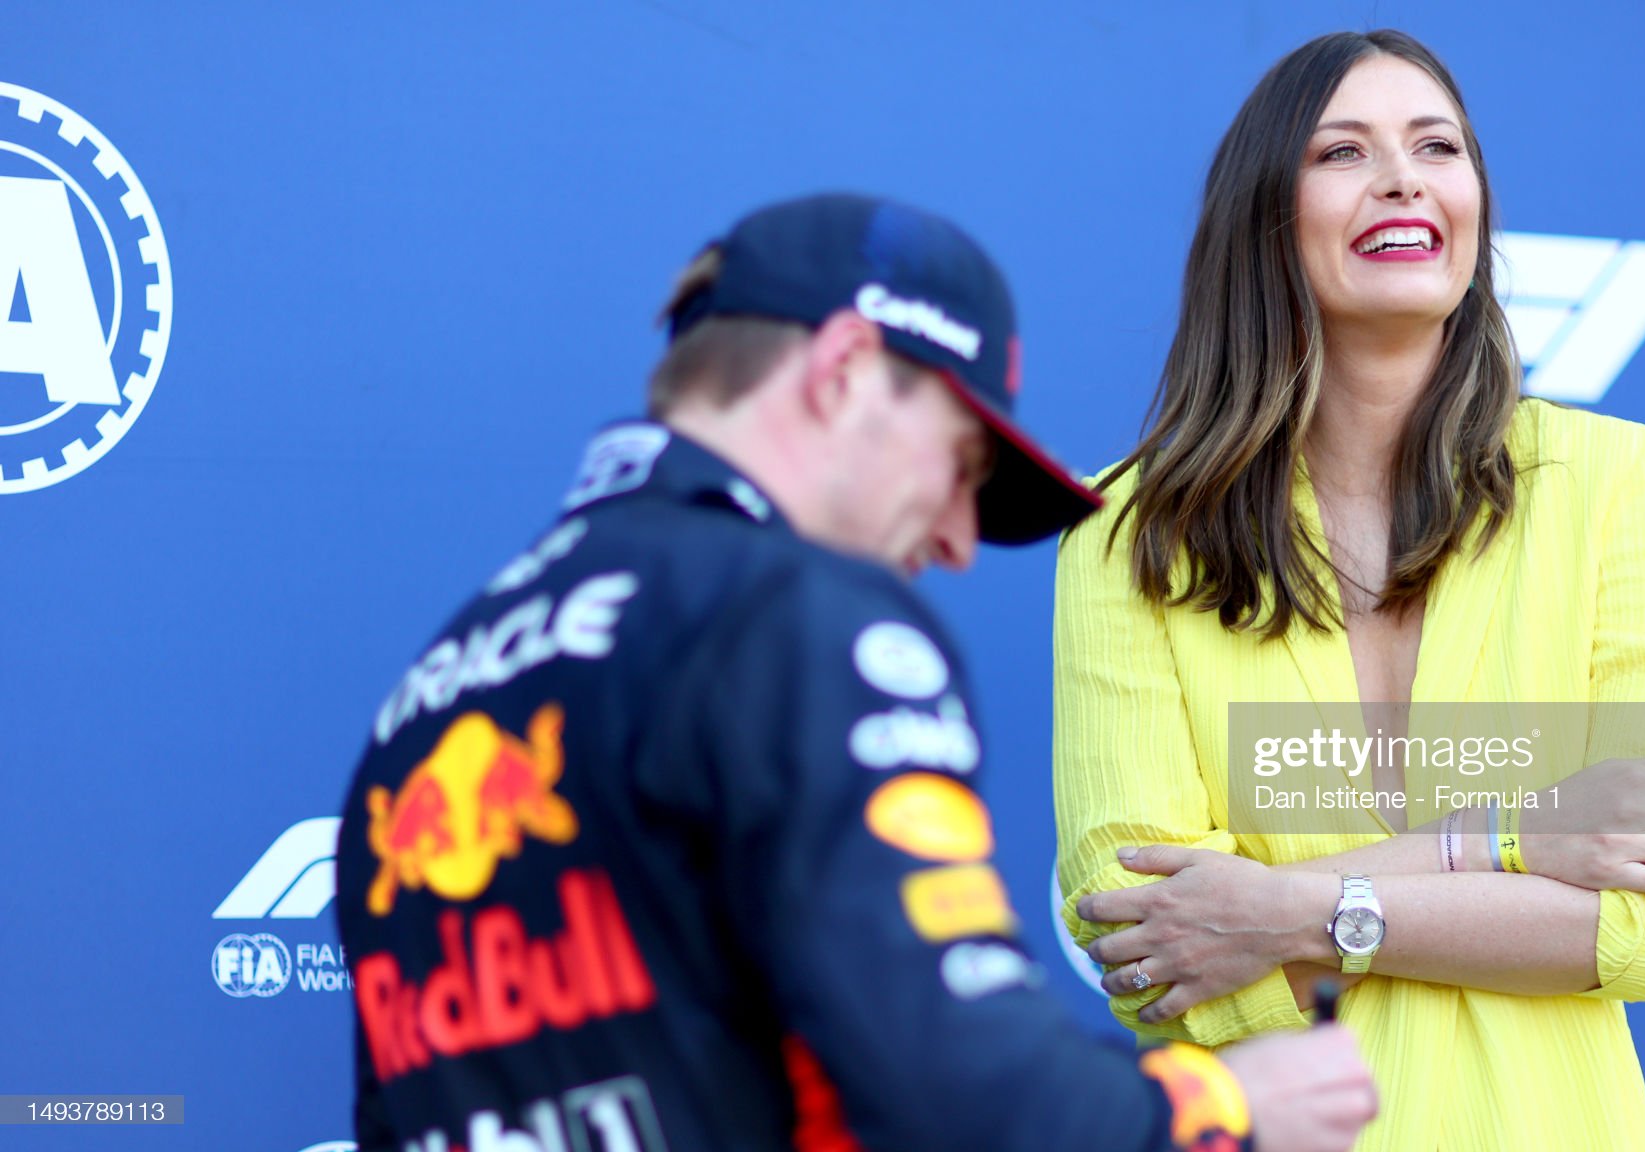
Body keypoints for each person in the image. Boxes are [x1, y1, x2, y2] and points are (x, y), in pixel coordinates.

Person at [334, 193, 1376, 1152]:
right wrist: (1229, 1107)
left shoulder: (430, 699)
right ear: (840, 374)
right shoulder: (796, 617)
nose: (961, 542)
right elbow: (962, 1087)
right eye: (963, 465)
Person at [1052, 31, 1645, 1150]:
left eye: (1436, 146)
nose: (1402, 177)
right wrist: (1500, 841)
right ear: (1263, 217)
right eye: (1342, 151)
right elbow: (1149, 944)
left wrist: (1284, 911)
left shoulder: (1620, 483)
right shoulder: (1129, 531)